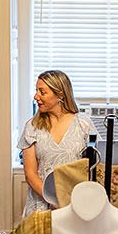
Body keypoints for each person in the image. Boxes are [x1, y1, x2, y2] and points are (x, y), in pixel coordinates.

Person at [17, 70, 95, 215]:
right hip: (40, 206)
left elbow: (96, 167)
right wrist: (54, 201)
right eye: (36, 91)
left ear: (60, 94)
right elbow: (30, 174)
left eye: (42, 92)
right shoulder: (32, 127)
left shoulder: (83, 124)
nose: (36, 96)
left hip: (76, 205)